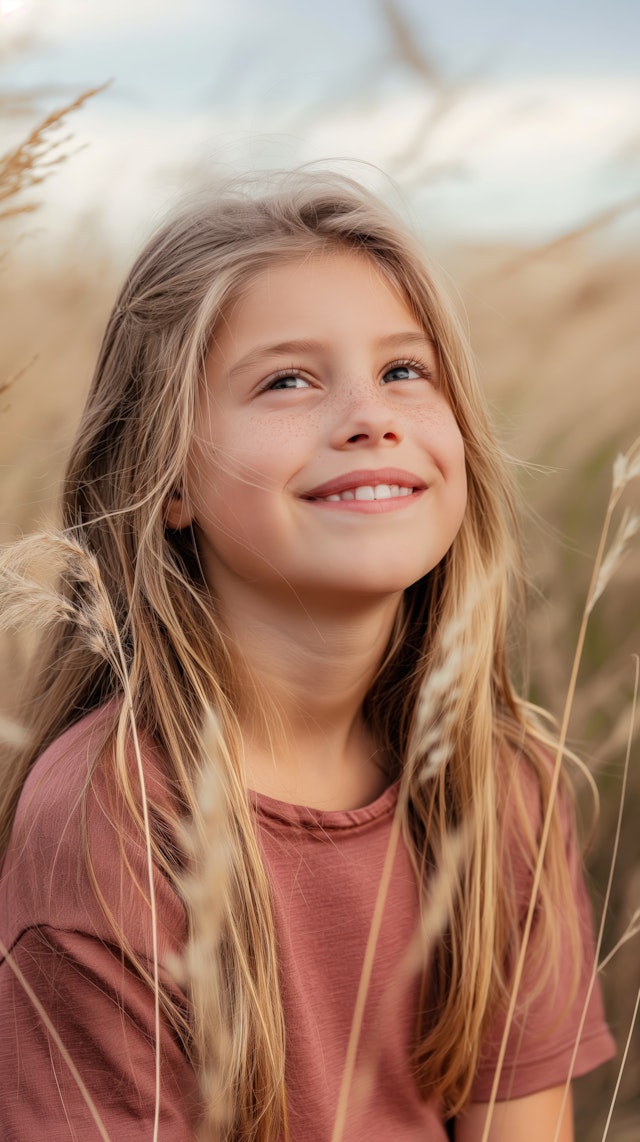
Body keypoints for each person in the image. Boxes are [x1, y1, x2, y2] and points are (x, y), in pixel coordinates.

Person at [0, 171, 615, 1141]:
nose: (369, 415)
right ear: (166, 476)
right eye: (286, 379)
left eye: (404, 371)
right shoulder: (111, 815)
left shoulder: (497, 786)